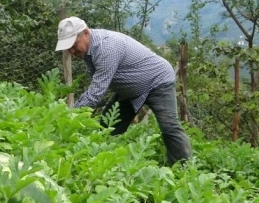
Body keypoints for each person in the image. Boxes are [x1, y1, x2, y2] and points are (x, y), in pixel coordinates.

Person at [55, 16, 192, 166]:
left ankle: (184, 169)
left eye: (74, 45)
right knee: (108, 127)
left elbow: (95, 94)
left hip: (158, 81)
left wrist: (69, 116)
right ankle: (103, 165)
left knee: (169, 127)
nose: (72, 51)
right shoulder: (88, 51)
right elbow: (96, 90)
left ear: (86, 33)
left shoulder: (106, 47)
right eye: (68, 47)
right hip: (129, 91)